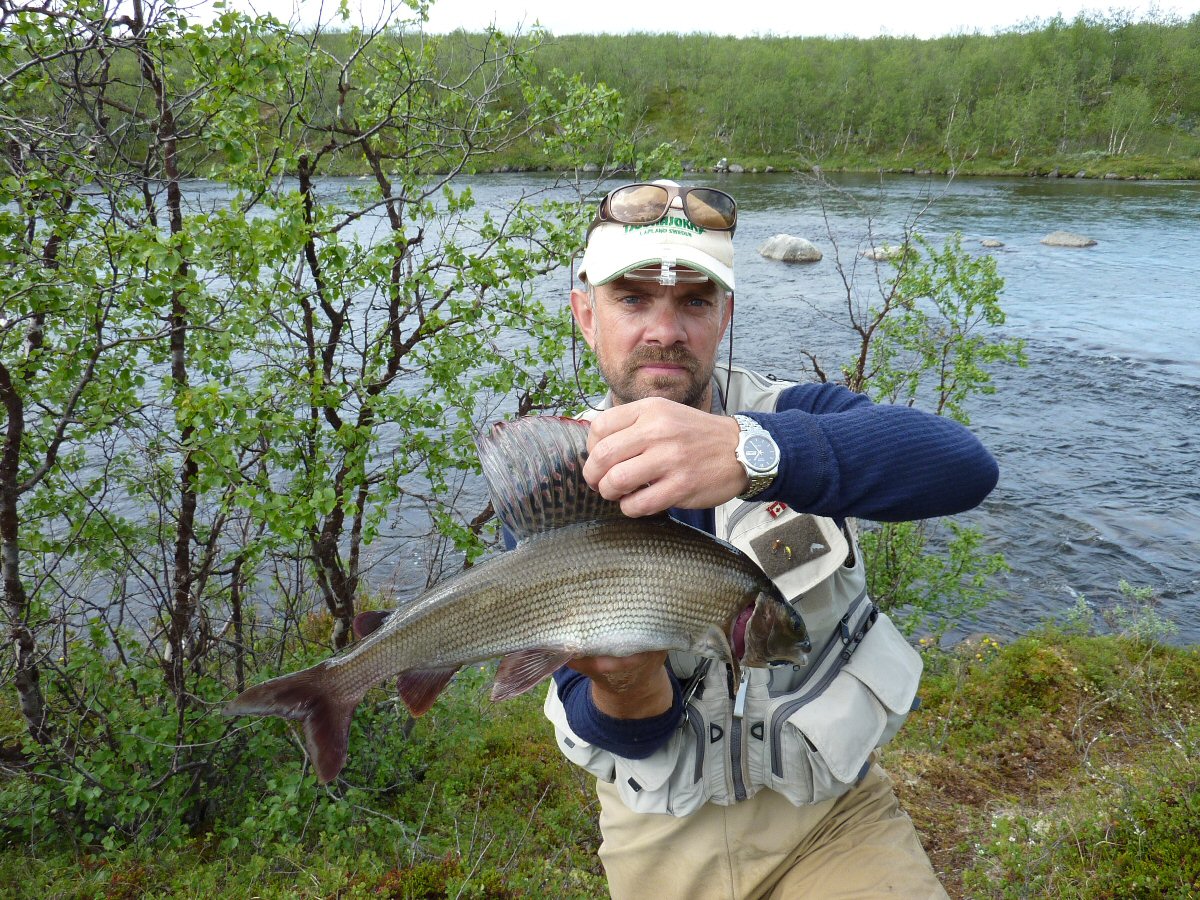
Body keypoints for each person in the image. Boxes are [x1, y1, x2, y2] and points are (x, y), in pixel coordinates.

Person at [544, 180, 999, 899]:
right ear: (584, 315)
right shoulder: (554, 476)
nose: (665, 329)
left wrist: (755, 452)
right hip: (660, 845)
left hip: (833, 820)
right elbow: (622, 735)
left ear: (724, 316)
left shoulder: (794, 413)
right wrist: (625, 684)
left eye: (695, 301)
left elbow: (963, 468)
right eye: (632, 300)